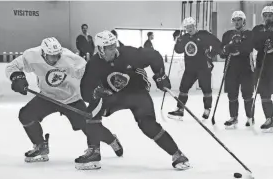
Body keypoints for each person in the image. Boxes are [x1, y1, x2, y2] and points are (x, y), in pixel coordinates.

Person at [76, 30, 190, 170]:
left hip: (137, 93)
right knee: (91, 113)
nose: (114, 50)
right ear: (100, 49)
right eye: (109, 48)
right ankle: (94, 152)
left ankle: (177, 154)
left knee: (148, 125)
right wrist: (95, 93)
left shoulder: (129, 53)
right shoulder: (94, 63)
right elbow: (85, 89)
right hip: (113, 95)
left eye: (114, 45)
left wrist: (160, 76)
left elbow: (154, 55)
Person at [5, 37, 123, 169]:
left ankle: (111, 139)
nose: (55, 59)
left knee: (88, 126)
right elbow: (12, 66)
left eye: (57, 56)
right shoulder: (32, 55)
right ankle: (40, 145)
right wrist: (17, 77)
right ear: (43, 53)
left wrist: (98, 87)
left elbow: (89, 74)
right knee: (25, 115)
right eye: (51, 56)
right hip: (47, 96)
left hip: (71, 99)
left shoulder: (70, 59)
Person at [167, 17, 221, 120]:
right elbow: (178, 50)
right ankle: (180, 110)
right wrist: (178, 42)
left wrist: (212, 54)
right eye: (187, 27)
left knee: (206, 89)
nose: (189, 29)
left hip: (203, 67)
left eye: (190, 26)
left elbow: (217, 43)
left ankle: (207, 109)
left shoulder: (204, 35)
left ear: (194, 25)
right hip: (190, 68)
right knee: (183, 88)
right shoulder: (184, 38)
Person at [221, 11, 255, 129]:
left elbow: (249, 47)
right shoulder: (227, 34)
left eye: (239, 20)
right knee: (232, 95)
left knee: (247, 95)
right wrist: (227, 48)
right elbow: (222, 52)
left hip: (246, 69)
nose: (236, 22)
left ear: (243, 21)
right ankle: (233, 117)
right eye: (234, 20)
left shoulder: (249, 34)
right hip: (231, 69)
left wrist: (238, 48)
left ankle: (250, 117)